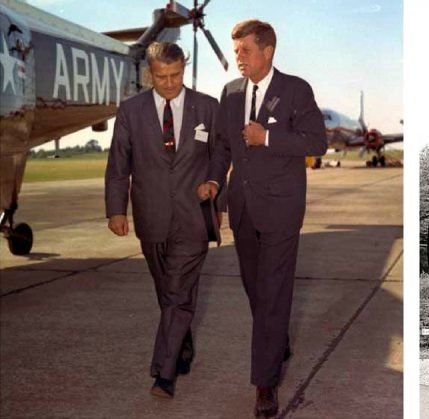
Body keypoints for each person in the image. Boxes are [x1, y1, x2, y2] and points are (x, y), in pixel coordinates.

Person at [196, 19, 327, 418]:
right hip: (243, 208)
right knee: (256, 289)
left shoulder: (295, 90)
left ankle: (265, 385)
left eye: (245, 51)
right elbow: (221, 146)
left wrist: (267, 137)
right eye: (235, 52)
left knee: (271, 292)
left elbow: (317, 141)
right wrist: (214, 183)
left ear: (267, 51)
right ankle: (275, 338)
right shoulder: (231, 94)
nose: (239, 58)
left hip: (282, 209)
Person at [105, 42, 219, 398]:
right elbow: (118, 164)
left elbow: (220, 152)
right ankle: (181, 343)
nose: (169, 84)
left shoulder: (208, 107)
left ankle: (163, 373)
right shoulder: (130, 111)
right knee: (169, 292)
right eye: (161, 77)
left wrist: (214, 181)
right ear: (148, 74)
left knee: (177, 292)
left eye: (176, 75)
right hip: (151, 217)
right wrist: (116, 210)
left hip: (193, 217)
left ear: (184, 69)